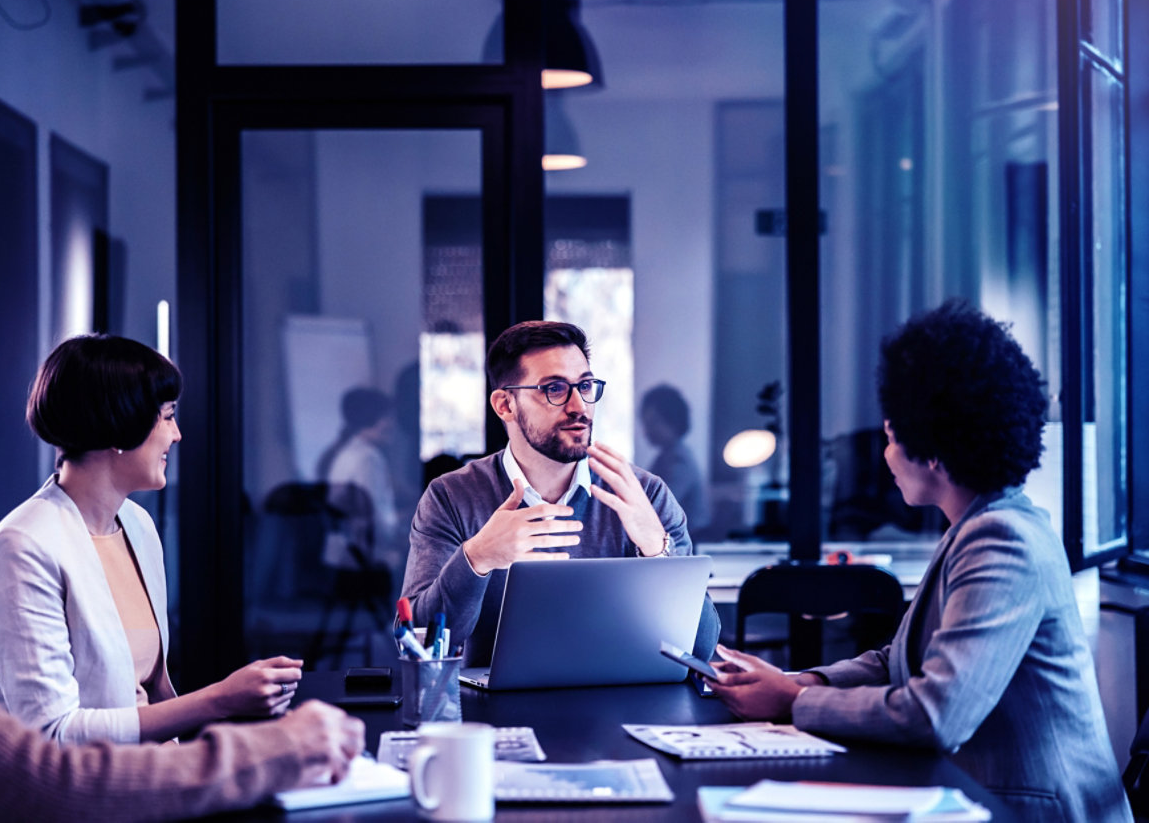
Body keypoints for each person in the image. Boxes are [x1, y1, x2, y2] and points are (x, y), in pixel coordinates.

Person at [0, 285, 363, 820]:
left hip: (149, 795)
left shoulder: (137, 524)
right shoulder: (9, 552)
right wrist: (243, 722)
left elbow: (146, 697)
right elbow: (46, 755)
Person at [705, 299, 1131, 822]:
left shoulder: (1003, 538)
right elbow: (897, 659)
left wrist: (790, 703)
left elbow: (936, 714)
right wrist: (800, 681)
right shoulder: (975, 526)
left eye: (889, 437)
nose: (884, 457)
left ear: (932, 448)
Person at [0, 334, 304, 745]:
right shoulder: (20, 549)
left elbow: (149, 692)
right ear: (119, 424)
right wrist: (220, 700)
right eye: (167, 416)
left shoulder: (136, 524)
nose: (176, 434)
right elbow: (53, 734)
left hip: (148, 781)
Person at [399, 321, 720, 666]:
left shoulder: (646, 495)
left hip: (620, 706)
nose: (579, 406)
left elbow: (699, 651)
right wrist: (477, 558)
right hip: (497, 712)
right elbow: (416, 643)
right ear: (505, 405)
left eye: (585, 386)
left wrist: (656, 548)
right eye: (554, 388)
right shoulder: (451, 496)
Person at [320, 387, 402, 575]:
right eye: (387, 417)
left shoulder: (345, 452)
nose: (392, 423)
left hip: (342, 548)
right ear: (371, 418)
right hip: (363, 551)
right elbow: (376, 516)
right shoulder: (369, 458)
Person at [640, 384, 709, 529]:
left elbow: (659, 506)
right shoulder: (665, 456)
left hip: (688, 541)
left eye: (653, 422)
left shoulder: (680, 460)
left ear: (673, 421)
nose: (647, 431)